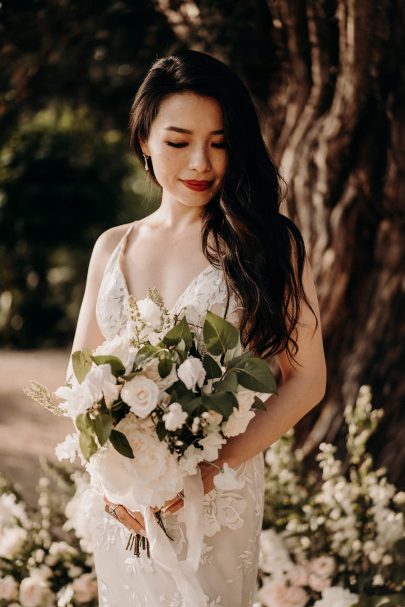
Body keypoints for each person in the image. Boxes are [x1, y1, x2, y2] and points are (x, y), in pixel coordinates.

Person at [67, 49, 326, 607]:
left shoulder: (264, 244)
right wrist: (108, 480)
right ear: (144, 140)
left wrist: (208, 470)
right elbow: (79, 380)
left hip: (217, 497)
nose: (201, 164)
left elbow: (306, 381)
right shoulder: (112, 246)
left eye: (221, 141)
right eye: (179, 142)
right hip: (123, 507)